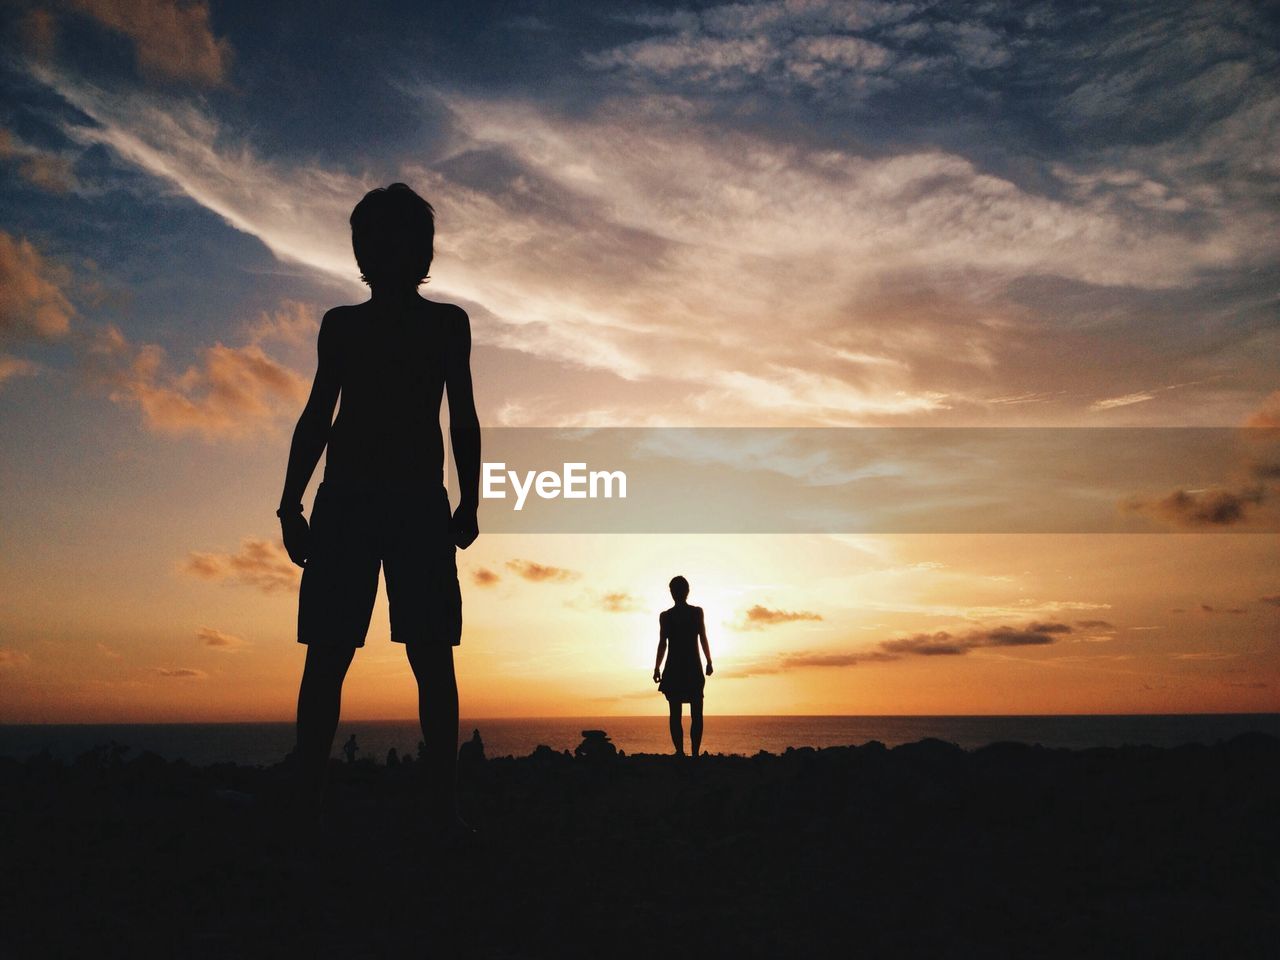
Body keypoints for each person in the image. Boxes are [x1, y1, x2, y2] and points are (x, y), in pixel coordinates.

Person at [277, 183, 481, 838]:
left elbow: (462, 420)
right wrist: (290, 500)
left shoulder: (444, 324)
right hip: (361, 501)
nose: (390, 250)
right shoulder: (346, 325)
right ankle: (315, 806)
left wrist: (471, 498)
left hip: (406, 501)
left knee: (424, 653)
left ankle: (440, 810)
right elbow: (318, 417)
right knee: (335, 654)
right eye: (380, 238)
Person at [652, 576, 713, 757]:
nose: (675, 593)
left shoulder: (691, 613)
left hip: (685, 668)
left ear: (685, 591)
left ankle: (687, 752)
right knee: (689, 713)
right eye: (674, 590)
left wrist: (709, 660)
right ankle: (687, 753)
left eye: (676, 590)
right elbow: (663, 642)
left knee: (683, 713)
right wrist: (656, 667)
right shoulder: (672, 616)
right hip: (682, 668)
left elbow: (702, 637)